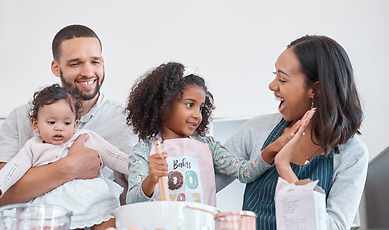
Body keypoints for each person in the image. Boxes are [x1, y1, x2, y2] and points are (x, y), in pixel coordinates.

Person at [0, 25, 137, 209]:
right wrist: (69, 167)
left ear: (103, 63)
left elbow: (142, 188)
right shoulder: (21, 118)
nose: (88, 72)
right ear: (56, 67)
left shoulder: (127, 120)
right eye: (75, 63)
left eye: (95, 62)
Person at [223, 35, 368, 229]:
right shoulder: (257, 129)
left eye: (282, 79)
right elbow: (203, 180)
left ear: (315, 89)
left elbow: (336, 227)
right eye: (275, 75)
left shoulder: (353, 153)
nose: (272, 85)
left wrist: (285, 170)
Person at [124, 62, 312, 206]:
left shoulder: (208, 146)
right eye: (190, 105)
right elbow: (132, 201)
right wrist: (152, 179)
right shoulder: (144, 151)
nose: (197, 115)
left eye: (201, 107)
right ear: (162, 106)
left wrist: (274, 147)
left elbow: (244, 172)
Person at [0, 84, 128, 229]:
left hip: (91, 197)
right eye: (51, 122)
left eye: (67, 123)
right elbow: (10, 172)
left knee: (106, 219)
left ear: (75, 124)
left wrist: (137, 167)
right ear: (35, 124)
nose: (59, 127)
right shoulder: (33, 147)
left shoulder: (85, 137)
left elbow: (114, 156)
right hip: (55, 205)